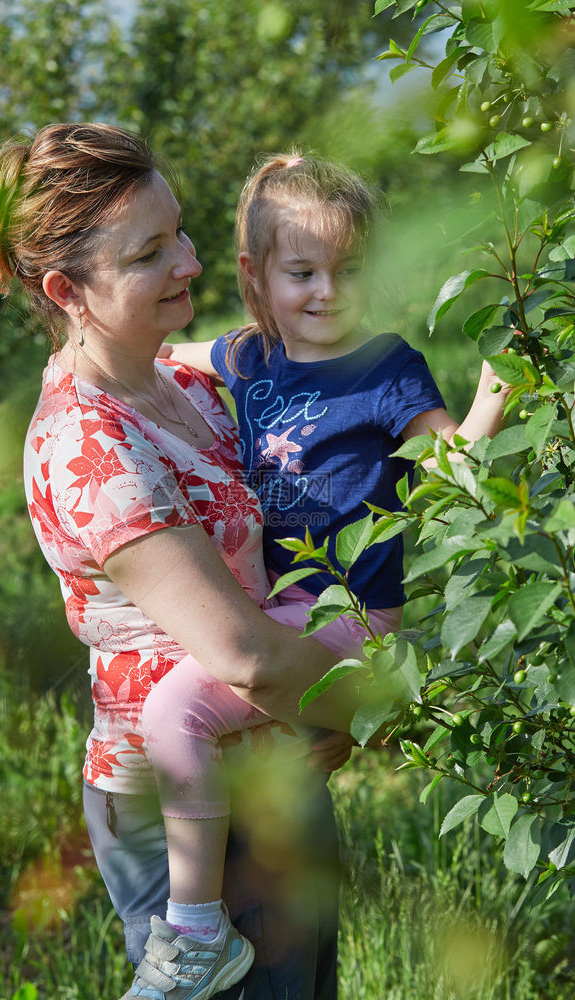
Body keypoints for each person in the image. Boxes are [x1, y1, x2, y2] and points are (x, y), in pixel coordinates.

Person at [0, 124, 366, 1000]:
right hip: (189, 816)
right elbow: (243, 656)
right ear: (68, 290)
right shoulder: (89, 447)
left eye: (179, 230)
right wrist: (380, 704)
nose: (187, 260)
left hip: (269, 762)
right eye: (149, 253)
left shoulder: (175, 382)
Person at [138, 151, 511, 997]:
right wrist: (71, 362)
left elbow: (449, 465)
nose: (326, 293)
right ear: (255, 275)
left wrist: (492, 404)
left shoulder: (384, 364)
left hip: (349, 612)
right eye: (301, 271)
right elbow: (159, 353)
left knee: (176, 712)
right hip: (282, 609)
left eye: (346, 271)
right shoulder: (248, 358)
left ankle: (194, 930)